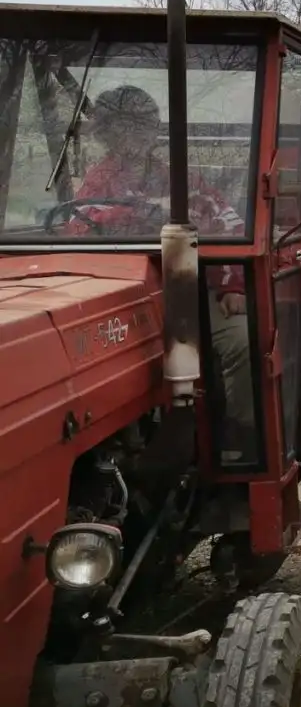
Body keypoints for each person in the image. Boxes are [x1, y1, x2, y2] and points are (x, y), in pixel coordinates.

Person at [67, 85, 255, 451]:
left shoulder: (179, 179)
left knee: (241, 341)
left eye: (140, 125)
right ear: (105, 133)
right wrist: (148, 213)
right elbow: (80, 227)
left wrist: (232, 286)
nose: (132, 135)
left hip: (190, 295)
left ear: (153, 130)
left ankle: (241, 438)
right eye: (121, 126)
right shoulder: (96, 182)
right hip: (127, 300)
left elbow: (228, 223)